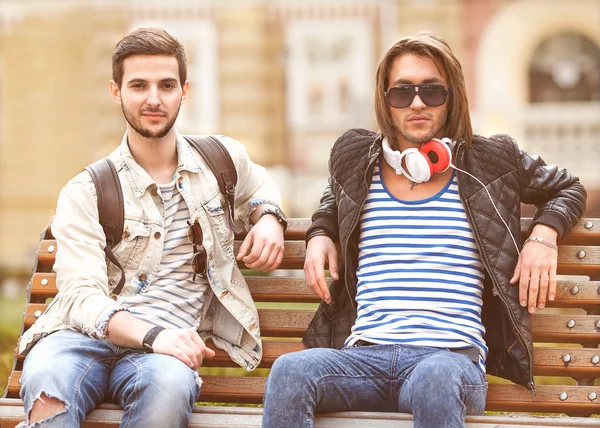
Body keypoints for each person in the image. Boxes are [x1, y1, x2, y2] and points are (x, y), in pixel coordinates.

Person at [262, 33, 586, 428]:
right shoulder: (354, 158)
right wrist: (319, 232)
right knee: (290, 372)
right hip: (365, 357)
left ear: (453, 97)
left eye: (431, 91)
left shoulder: (491, 159)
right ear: (385, 99)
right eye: (402, 92)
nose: (416, 102)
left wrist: (543, 236)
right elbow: (336, 195)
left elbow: (568, 187)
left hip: (450, 361)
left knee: (435, 378)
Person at [18, 27, 287, 428]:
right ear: (116, 91)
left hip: (162, 358)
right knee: (47, 384)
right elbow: (80, 296)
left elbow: (261, 184)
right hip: (79, 341)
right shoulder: (87, 190)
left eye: (166, 85)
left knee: (169, 388)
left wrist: (267, 216)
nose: (154, 99)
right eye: (139, 85)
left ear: (185, 90)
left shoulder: (221, 159)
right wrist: (153, 334)